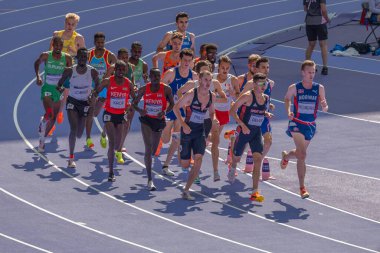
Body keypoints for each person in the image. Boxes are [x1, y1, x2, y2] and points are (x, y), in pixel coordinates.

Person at [280, 60, 328, 199]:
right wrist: (288, 111)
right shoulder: (295, 87)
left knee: (300, 153)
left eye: (313, 72)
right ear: (303, 72)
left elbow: (324, 103)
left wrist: (325, 106)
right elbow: (287, 98)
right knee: (302, 155)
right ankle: (302, 187)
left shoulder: (319, 88)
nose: (311, 75)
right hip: (296, 123)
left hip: (310, 125)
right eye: (309, 72)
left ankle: (286, 156)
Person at [177, 60, 227, 182]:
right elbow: (179, 93)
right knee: (198, 146)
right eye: (203, 71)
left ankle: (215, 171)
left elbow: (224, 98)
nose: (207, 74)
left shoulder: (214, 83)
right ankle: (196, 172)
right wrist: (186, 106)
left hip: (208, 119)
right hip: (193, 119)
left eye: (208, 70)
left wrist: (212, 100)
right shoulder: (191, 84)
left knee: (215, 142)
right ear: (199, 75)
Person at [229, 73, 273, 202]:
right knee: (236, 158)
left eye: (264, 84)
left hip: (255, 132)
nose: (263, 86)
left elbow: (258, 112)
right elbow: (232, 111)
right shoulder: (247, 96)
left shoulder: (265, 98)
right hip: (244, 131)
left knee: (258, 159)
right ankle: (232, 165)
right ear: (254, 84)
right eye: (260, 84)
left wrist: (266, 113)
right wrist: (242, 125)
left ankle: (254, 192)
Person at [174, 70, 217, 200]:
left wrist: (213, 120)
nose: (208, 83)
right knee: (184, 164)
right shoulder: (191, 94)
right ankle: (178, 144)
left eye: (210, 80)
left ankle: (186, 190)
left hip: (200, 130)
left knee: (198, 159)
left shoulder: (212, 96)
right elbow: (176, 108)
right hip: (188, 129)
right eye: (205, 80)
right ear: (199, 80)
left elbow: (211, 112)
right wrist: (183, 124)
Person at [56, 48, 100, 168]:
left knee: (80, 133)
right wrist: (60, 90)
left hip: (85, 103)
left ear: (87, 58)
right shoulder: (70, 71)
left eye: (85, 57)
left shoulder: (93, 72)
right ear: (77, 58)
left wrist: (93, 95)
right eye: (80, 57)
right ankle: (71, 158)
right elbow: (59, 84)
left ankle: (81, 131)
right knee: (73, 129)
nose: (82, 59)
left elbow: (98, 86)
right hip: (72, 102)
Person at [132, 68, 175, 190]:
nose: (156, 78)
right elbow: (133, 103)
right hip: (146, 120)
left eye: (158, 76)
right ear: (149, 77)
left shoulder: (166, 89)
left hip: (158, 121)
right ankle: (150, 179)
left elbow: (172, 104)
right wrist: (141, 111)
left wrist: (165, 111)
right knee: (148, 148)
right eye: (153, 76)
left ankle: (148, 160)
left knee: (154, 150)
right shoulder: (144, 89)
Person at [94, 60, 135, 182]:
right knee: (112, 143)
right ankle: (111, 172)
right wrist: (94, 97)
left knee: (117, 145)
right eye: (119, 69)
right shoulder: (108, 81)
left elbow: (135, 97)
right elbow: (96, 91)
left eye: (123, 70)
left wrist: (130, 106)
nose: (121, 72)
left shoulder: (128, 83)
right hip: (109, 114)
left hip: (121, 115)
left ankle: (115, 156)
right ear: (115, 69)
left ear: (126, 71)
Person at [160, 49, 198, 176]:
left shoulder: (194, 77)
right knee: (165, 139)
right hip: (169, 109)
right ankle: (162, 132)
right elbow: (160, 89)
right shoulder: (171, 73)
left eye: (189, 60)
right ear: (180, 60)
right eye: (184, 60)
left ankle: (166, 165)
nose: (187, 62)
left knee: (176, 139)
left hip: (181, 111)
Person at [34, 36, 72, 152]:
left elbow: (69, 72)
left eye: (60, 46)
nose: (58, 48)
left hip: (58, 90)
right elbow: (36, 63)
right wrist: (38, 76)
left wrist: (64, 86)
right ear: (53, 45)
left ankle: (42, 139)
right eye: (56, 45)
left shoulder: (67, 58)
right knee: (49, 114)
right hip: (47, 88)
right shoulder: (46, 55)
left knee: (54, 117)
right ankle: (43, 121)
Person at [50, 13, 86, 125]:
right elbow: (50, 50)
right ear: (64, 23)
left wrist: (74, 52)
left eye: (72, 24)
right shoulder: (57, 34)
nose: (69, 26)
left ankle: (59, 112)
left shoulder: (78, 38)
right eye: (68, 23)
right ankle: (53, 115)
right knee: (53, 94)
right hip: (56, 67)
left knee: (64, 93)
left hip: (68, 69)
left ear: (76, 25)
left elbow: (84, 56)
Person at [240, 57, 275, 171]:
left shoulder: (270, 83)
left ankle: (257, 163)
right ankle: (234, 163)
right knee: (244, 143)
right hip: (251, 117)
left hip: (264, 117)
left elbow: (264, 98)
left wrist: (269, 105)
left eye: (268, 67)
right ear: (257, 69)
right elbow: (242, 99)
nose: (266, 69)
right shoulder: (251, 84)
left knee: (268, 141)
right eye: (263, 67)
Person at [86, 32, 117, 149]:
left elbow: (118, 64)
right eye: (98, 42)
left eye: (102, 42)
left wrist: (111, 69)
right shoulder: (90, 54)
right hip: (92, 87)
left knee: (95, 113)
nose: (100, 44)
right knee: (90, 113)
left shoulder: (109, 55)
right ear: (94, 43)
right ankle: (88, 138)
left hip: (104, 88)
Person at [211, 55, 239, 180]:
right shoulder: (212, 78)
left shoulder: (232, 80)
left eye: (227, 68)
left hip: (224, 112)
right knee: (215, 142)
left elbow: (238, 96)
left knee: (214, 139)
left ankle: (203, 137)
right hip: (212, 111)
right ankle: (216, 171)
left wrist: (234, 95)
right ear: (218, 67)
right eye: (222, 67)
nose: (225, 70)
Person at [104, 48, 136, 153]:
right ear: (118, 58)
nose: (125, 59)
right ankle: (105, 132)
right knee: (113, 119)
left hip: (125, 96)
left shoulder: (130, 67)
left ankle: (120, 145)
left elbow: (132, 80)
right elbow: (106, 81)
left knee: (126, 122)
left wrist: (134, 87)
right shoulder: (113, 68)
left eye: (127, 57)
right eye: (123, 58)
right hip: (113, 95)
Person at [304, 0, 330, 75]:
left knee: (311, 44)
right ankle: (325, 68)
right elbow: (324, 10)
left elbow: (305, 9)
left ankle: (307, 66)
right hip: (319, 21)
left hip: (309, 21)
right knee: (323, 44)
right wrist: (327, 19)